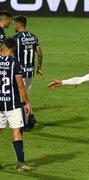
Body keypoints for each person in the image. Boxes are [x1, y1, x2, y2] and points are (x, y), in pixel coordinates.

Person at [0, 37, 31, 171]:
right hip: (13, 104)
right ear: (14, 49)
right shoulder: (15, 64)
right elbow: (20, 86)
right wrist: (27, 102)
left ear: (3, 46)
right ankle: (20, 163)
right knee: (16, 131)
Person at [12, 15, 44, 131]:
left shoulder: (15, 38)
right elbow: (39, 53)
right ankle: (29, 117)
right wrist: (39, 67)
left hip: (20, 73)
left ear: (18, 25)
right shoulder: (33, 37)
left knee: (20, 97)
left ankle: (27, 120)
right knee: (23, 95)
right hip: (30, 72)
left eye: (14, 24)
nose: (14, 26)